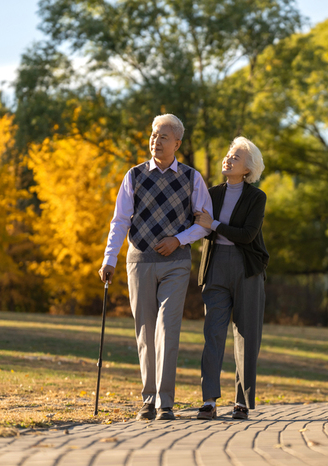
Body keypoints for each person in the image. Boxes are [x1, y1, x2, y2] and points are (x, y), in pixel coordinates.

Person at [98, 114, 212, 421]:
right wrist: (109, 260)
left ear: (177, 143)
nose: (155, 141)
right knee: (145, 331)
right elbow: (120, 220)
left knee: (167, 329)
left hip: (176, 263)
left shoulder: (191, 178)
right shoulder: (134, 175)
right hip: (139, 262)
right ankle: (148, 400)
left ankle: (165, 403)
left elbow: (205, 223)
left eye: (163, 137)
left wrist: (178, 239)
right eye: (152, 135)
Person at [192, 137, 269, 420]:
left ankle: (242, 401)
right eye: (228, 154)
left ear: (248, 169)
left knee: (246, 336)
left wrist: (212, 224)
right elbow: (200, 229)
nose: (228, 159)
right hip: (215, 266)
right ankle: (209, 400)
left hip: (246, 268)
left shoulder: (256, 198)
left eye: (235, 157)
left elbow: (247, 235)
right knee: (213, 333)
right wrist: (208, 226)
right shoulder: (211, 194)